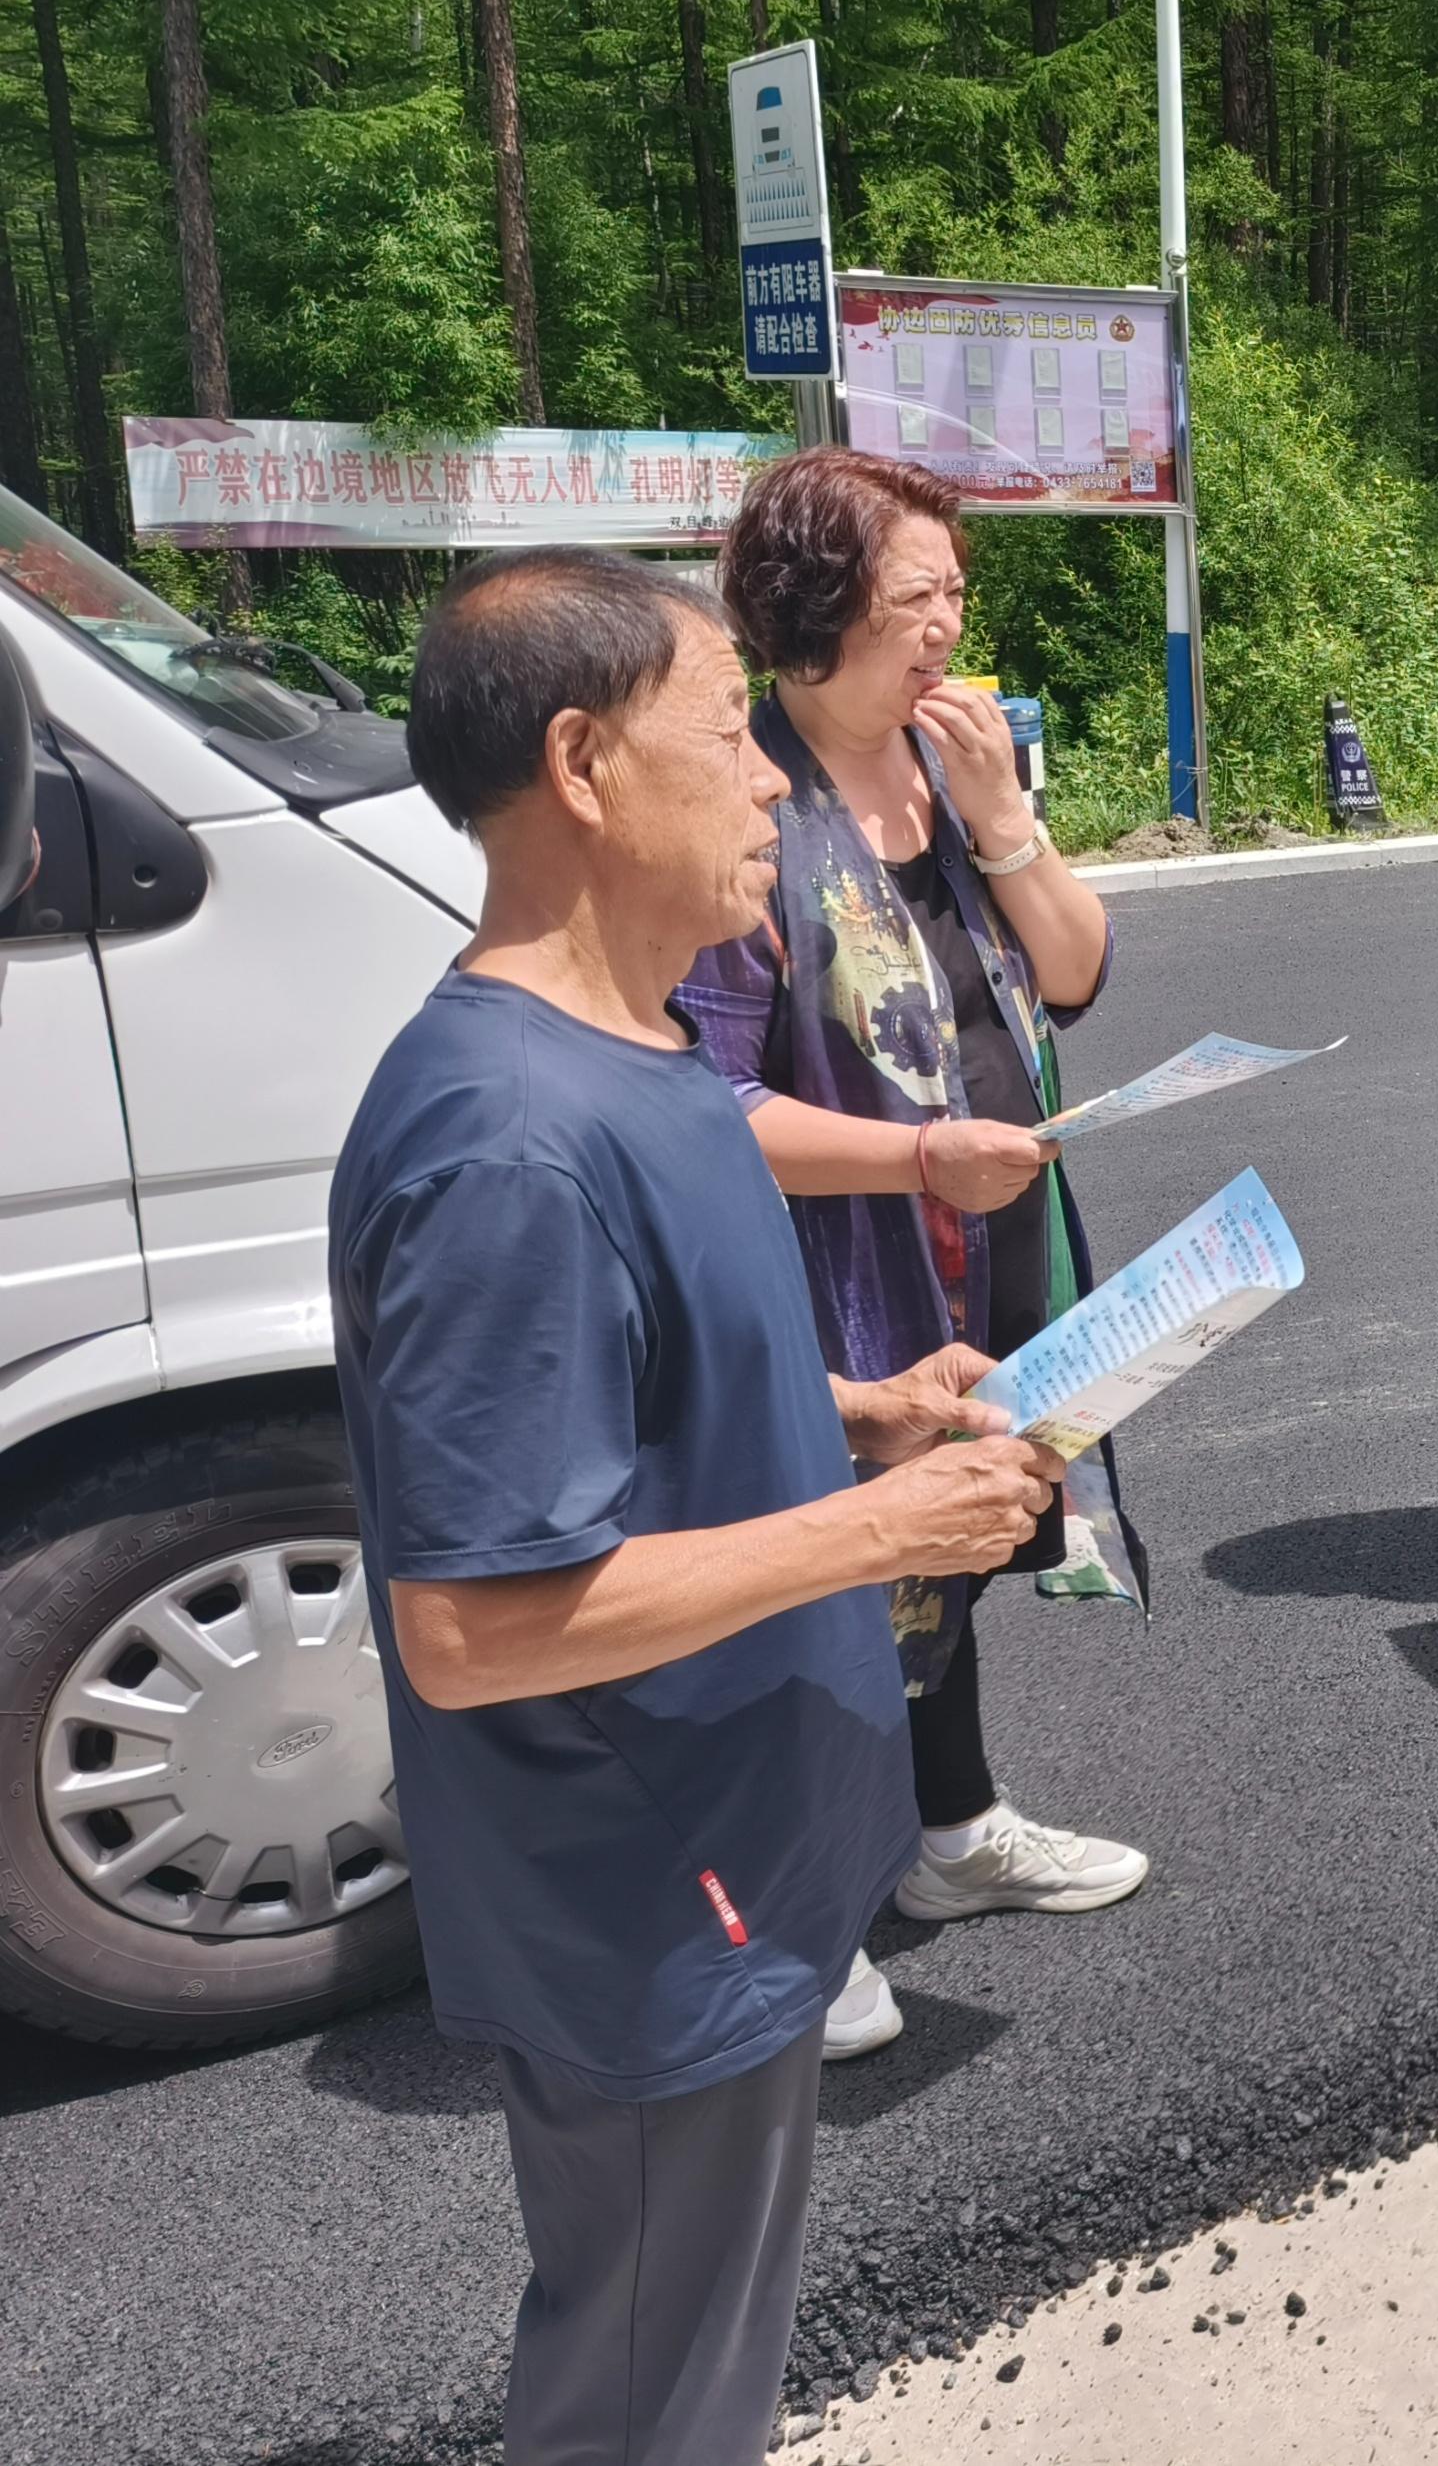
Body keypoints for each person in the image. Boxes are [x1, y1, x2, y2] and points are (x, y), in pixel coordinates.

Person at [332, 549, 1064, 2466]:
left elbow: (641, 1390)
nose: (765, 780)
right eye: (728, 729)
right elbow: (474, 1618)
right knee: (651, 2378)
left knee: (700, 2344)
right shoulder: (503, 1139)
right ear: (582, 764)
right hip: (652, 1892)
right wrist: (883, 1531)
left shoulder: (645, 1043)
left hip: (733, 1833)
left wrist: (862, 1411)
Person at [675, 449, 1146, 2064]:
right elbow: (706, 1102)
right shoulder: (746, 797)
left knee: (953, 1540)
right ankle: (800, 1913)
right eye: (915, 594)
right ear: (815, 602)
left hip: (988, 1237)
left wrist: (1005, 822)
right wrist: (918, 1155)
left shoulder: (955, 769)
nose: (947, 623)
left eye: (956, 590)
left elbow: (1072, 975)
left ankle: (948, 1833)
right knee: (827, 1580)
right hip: (839, 1264)